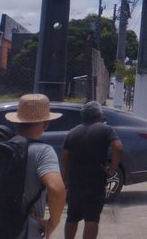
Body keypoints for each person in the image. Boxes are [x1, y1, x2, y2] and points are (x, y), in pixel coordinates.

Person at [6, 94, 66, 239]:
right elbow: (56, 189)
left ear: (16, 122)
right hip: (25, 230)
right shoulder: (43, 151)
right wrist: (53, 223)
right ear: (46, 124)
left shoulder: (3, 147)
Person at [60, 101, 122, 239]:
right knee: (92, 217)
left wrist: (64, 180)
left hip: (75, 182)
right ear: (99, 115)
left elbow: (64, 158)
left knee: (72, 216)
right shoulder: (106, 129)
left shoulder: (73, 132)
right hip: (95, 181)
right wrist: (112, 170)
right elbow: (118, 147)